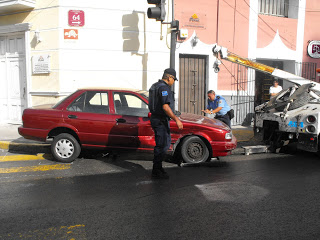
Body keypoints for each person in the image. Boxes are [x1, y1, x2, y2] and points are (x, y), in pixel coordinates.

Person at [148, 68, 183, 179]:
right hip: (160, 120)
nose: (173, 82)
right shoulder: (163, 88)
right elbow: (165, 106)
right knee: (162, 145)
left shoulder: (155, 86)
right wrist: (176, 119)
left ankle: (158, 167)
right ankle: (156, 170)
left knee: (164, 144)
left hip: (156, 118)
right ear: (169, 77)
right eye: (174, 80)